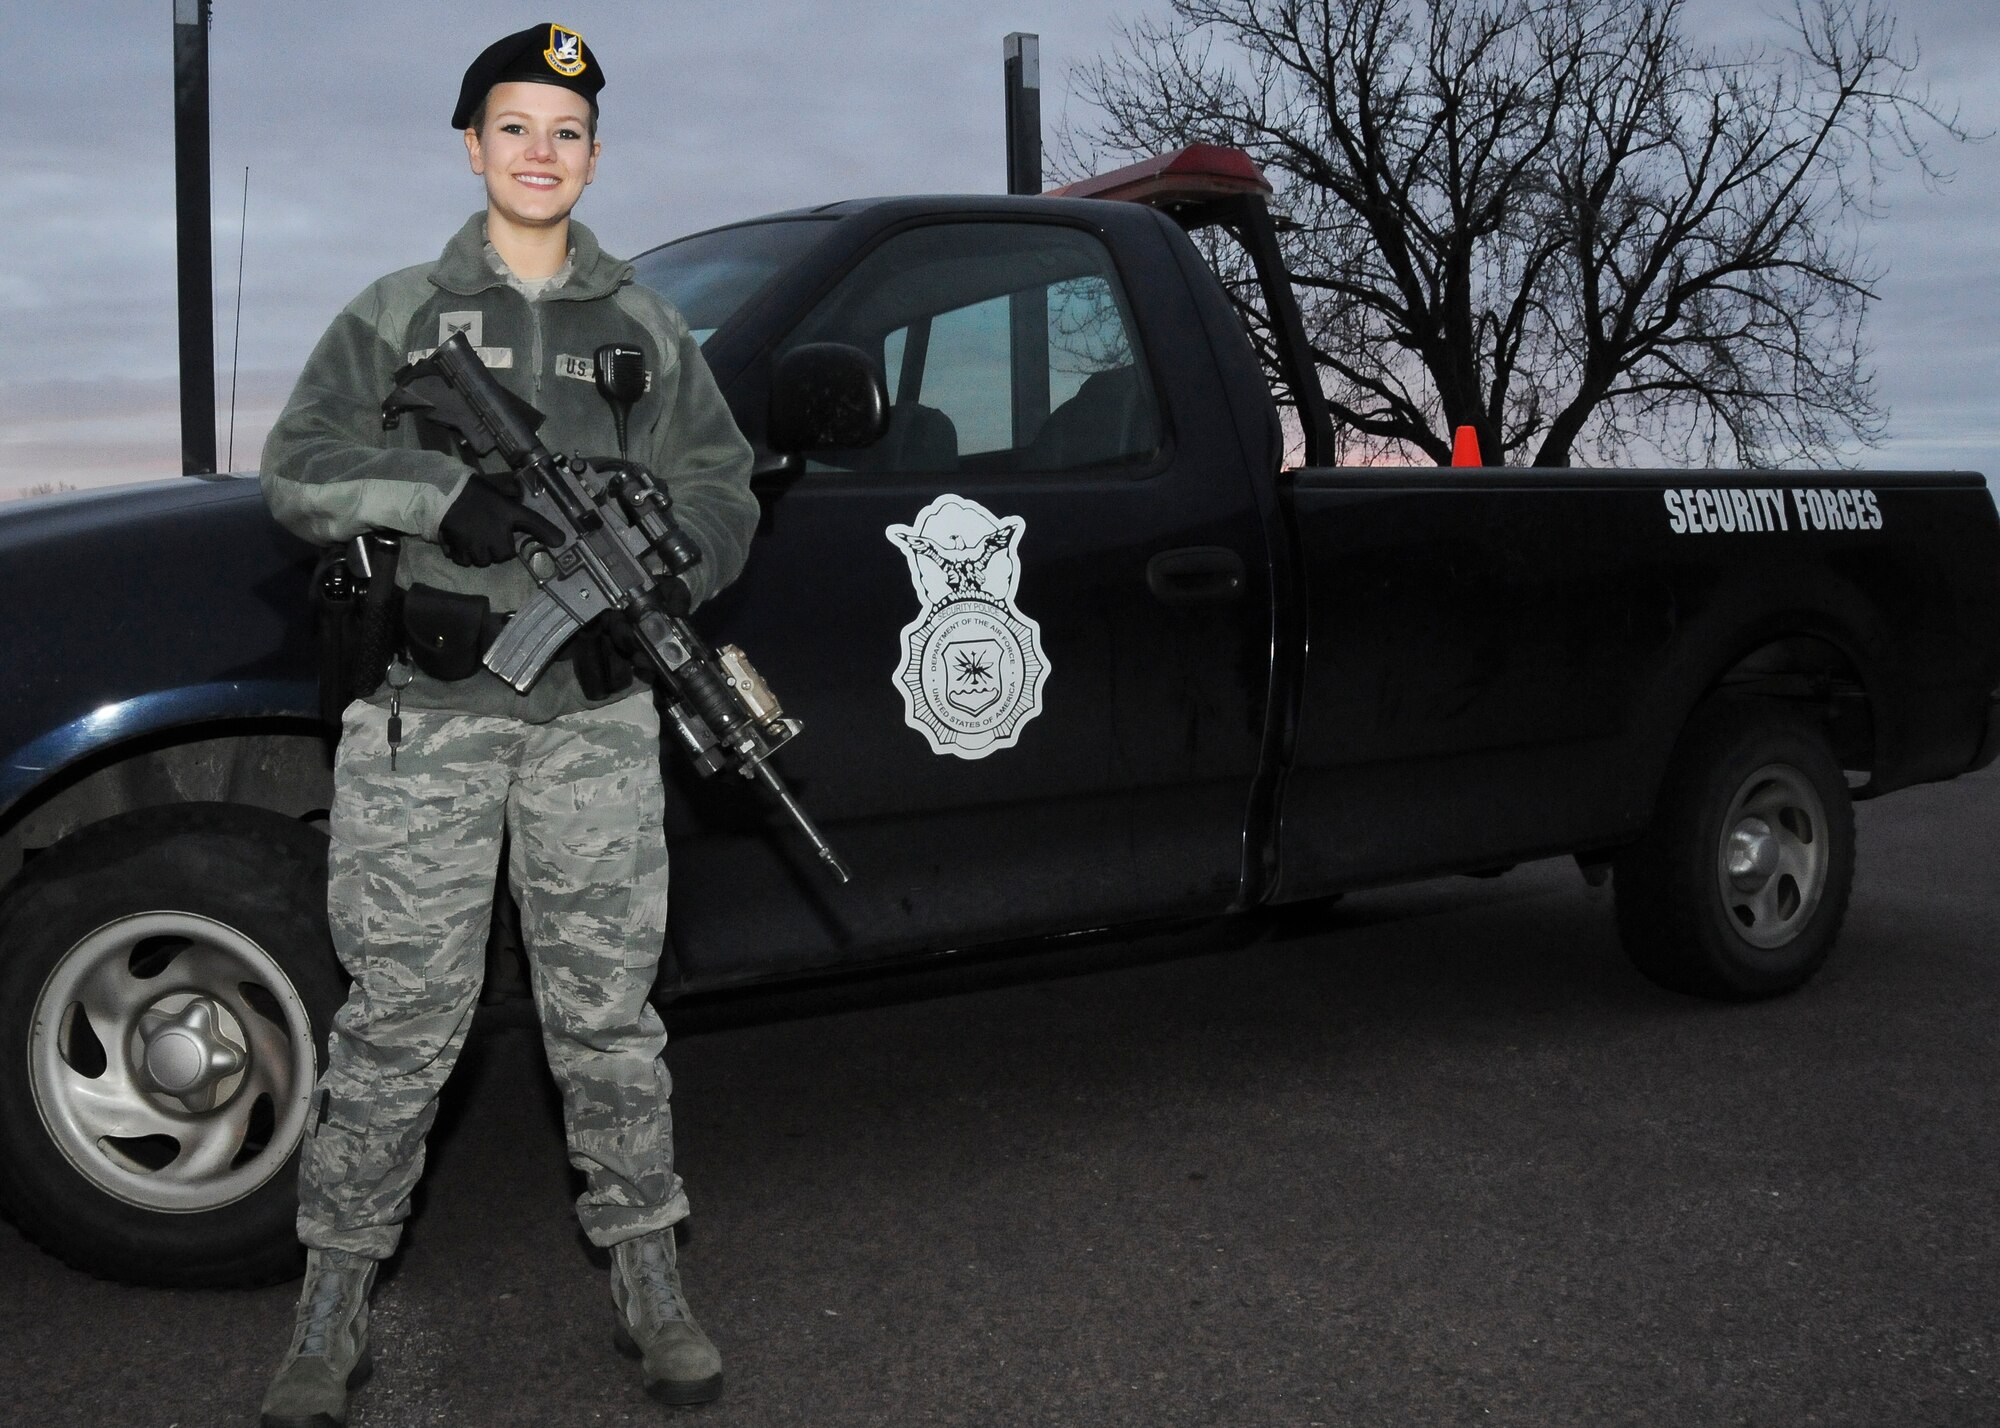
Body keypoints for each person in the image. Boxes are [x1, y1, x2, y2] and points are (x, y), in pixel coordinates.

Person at [256, 22, 757, 1424]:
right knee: (402, 1020)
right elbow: (299, 470)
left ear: (597, 158)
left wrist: (665, 570)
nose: (543, 152)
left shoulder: (646, 330)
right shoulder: (399, 312)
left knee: (605, 1017)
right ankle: (330, 1306)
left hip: (591, 728)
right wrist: (430, 501)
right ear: (472, 143)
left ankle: (651, 1285)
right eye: (517, 126)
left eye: (569, 132)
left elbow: (723, 487)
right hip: (430, 722)